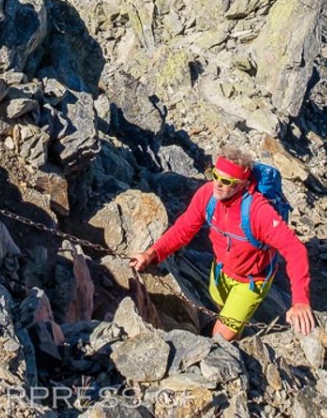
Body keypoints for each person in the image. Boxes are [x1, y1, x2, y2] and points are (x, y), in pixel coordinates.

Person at [130, 144, 316, 339]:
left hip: (250, 282)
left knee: (221, 336)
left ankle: (237, 351)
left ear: (242, 184)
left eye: (226, 181)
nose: (217, 184)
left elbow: (295, 249)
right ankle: (235, 329)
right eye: (215, 175)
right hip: (220, 272)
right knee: (219, 306)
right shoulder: (207, 194)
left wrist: (300, 301)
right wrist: (151, 253)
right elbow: (184, 228)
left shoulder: (258, 212)